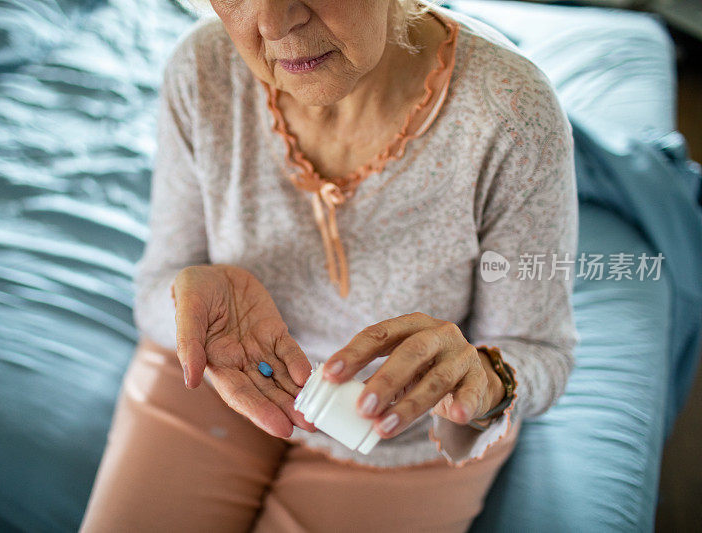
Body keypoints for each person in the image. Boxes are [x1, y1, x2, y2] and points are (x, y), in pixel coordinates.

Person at [79, 0, 579, 531]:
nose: (273, 23)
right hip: (222, 378)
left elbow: (540, 351)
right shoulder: (204, 67)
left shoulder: (511, 113)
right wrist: (188, 303)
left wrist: (482, 377)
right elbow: (157, 285)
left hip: (400, 436)